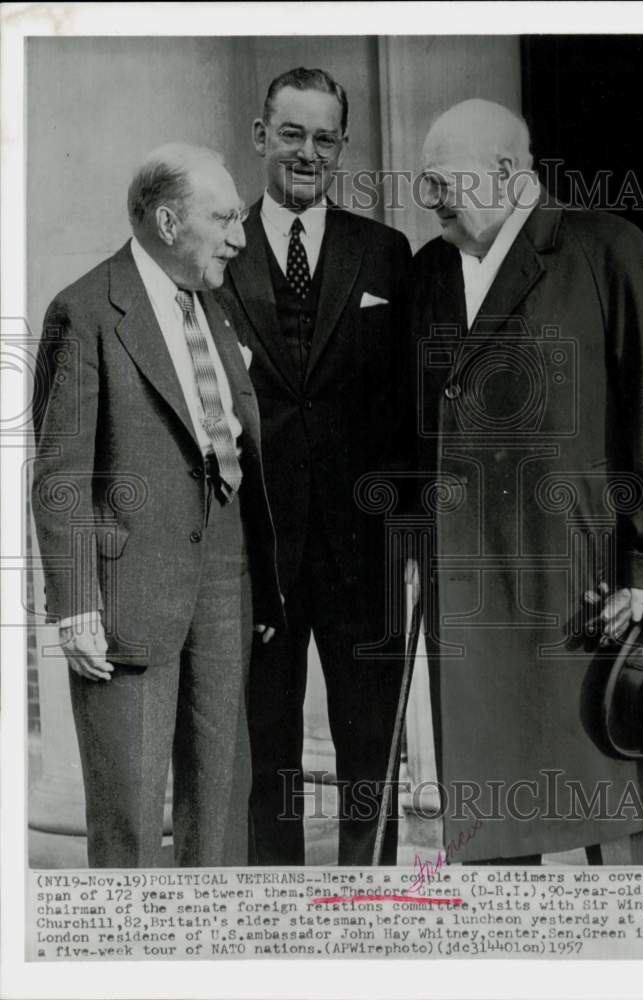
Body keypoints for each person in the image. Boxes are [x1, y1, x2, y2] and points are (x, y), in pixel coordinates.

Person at [407, 99, 643, 864]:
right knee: (490, 821)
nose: (429, 200)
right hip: (472, 591)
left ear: (505, 173)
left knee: (607, 807)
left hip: (584, 588)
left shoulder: (603, 247)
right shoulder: (429, 271)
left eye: (440, 180)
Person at [31, 143, 284, 867]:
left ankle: (210, 957)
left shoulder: (215, 305)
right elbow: (59, 475)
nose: (239, 236)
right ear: (169, 222)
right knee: (131, 813)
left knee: (221, 793)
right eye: (224, 218)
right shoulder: (83, 311)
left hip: (224, 575)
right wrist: (75, 604)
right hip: (127, 594)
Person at [218, 68, 412, 865]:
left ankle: (370, 897)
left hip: (360, 552)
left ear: (341, 148)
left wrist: (405, 534)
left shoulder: (385, 252)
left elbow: (406, 405)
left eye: (323, 137)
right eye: (291, 133)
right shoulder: (217, 251)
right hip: (255, 548)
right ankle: (278, 912)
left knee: (372, 739)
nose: (306, 152)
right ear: (262, 137)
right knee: (266, 742)